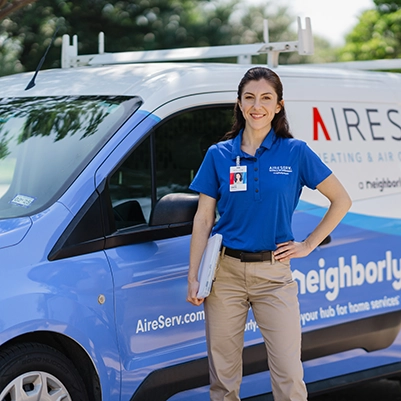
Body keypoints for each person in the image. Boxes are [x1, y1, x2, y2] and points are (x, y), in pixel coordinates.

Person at [186, 66, 352, 401]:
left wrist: (307, 245)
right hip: (224, 275)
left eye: (266, 98)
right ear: (239, 103)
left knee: (289, 375)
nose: (256, 105)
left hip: (274, 275)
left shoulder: (295, 152)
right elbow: (203, 220)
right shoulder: (219, 155)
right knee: (223, 378)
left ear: (278, 105)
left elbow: (341, 200)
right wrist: (193, 276)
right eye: (249, 98)